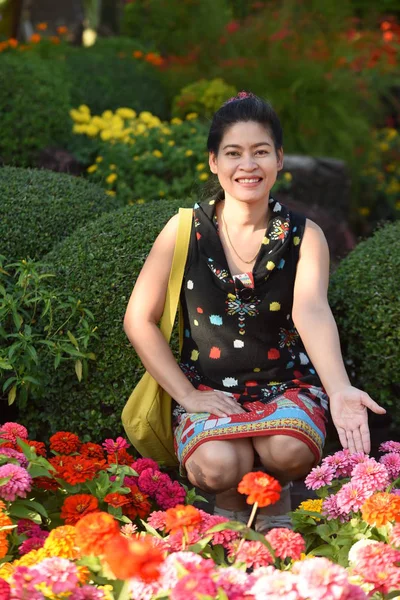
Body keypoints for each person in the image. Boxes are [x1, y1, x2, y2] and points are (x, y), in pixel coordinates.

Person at [123, 92, 386, 530]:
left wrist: (339, 389)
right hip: (208, 389)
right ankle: (231, 530)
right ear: (213, 162)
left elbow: (312, 311)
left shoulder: (306, 236)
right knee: (219, 464)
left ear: (279, 159)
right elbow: (139, 320)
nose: (248, 165)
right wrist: (188, 396)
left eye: (261, 152)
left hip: (286, 388)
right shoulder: (184, 229)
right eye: (234, 153)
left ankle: (273, 511)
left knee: (287, 449)